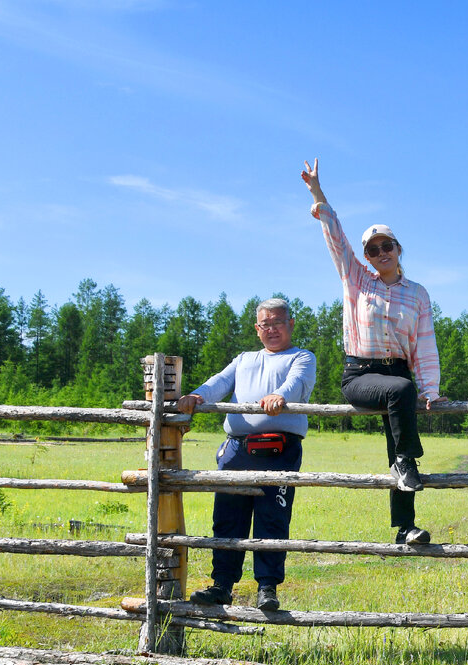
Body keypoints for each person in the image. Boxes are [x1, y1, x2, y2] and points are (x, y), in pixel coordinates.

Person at [301, 158, 443, 545]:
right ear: (366, 256)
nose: (381, 252)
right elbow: (335, 237)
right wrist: (318, 193)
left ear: (399, 249)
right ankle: (407, 460)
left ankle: (405, 528)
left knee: (396, 437)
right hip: (361, 375)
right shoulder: (356, 279)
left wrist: (429, 389)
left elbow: (424, 344)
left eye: (387, 246)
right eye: (373, 249)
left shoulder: (417, 293)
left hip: (398, 372)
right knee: (400, 412)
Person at [181, 298, 316, 612]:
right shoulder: (244, 359)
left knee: (273, 517)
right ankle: (222, 585)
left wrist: (280, 395)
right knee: (227, 518)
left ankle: (267, 587)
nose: (271, 329)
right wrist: (198, 394)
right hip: (238, 449)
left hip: (280, 449)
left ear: (290, 324)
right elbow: (220, 382)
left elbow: (296, 384)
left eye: (278, 323)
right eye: (265, 324)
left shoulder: (302, 357)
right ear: (257, 329)